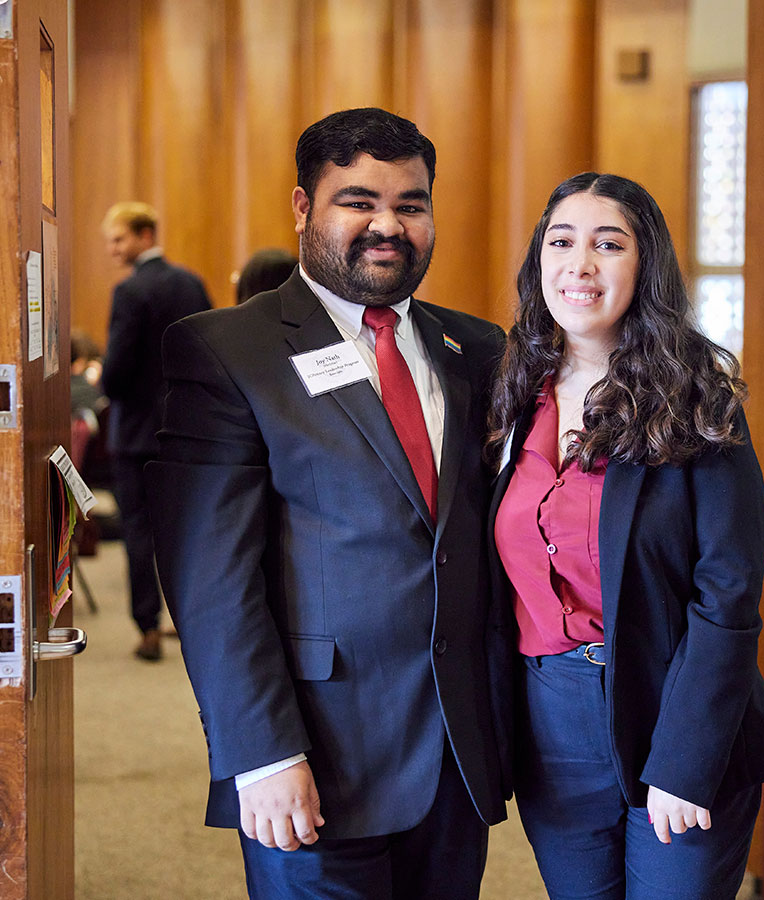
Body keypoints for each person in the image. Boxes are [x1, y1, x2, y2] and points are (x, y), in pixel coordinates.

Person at [146, 108, 511, 899]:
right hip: (314, 757)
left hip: (456, 755)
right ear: (304, 207)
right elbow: (210, 580)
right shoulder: (227, 350)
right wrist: (261, 754)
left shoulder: (477, 349)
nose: (388, 225)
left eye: (411, 204)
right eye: (359, 201)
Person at [487, 172, 764, 899]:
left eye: (609, 244)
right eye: (561, 242)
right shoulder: (510, 388)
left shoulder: (695, 397)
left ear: (645, 264)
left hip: (674, 711)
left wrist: (685, 762)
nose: (580, 265)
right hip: (552, 723)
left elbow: (728, 590)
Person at [100, 202, 211, 661]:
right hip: (187, 427)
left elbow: (117, 374)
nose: (112, 250)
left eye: (119, 239)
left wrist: (99, 378)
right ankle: (190, 620)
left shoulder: (130, 292)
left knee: (139, 531)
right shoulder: (191, 284)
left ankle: (146, 626)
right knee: (189, 529)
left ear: (145, 235)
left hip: (137, 435)